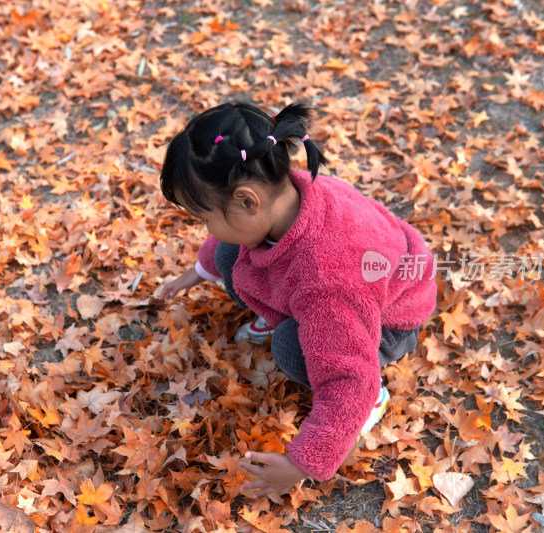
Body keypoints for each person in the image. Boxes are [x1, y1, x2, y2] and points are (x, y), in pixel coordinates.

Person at [158, 102, 437, 497]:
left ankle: (375, 402)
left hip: (390, 318)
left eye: (205, 217)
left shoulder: (326, 279)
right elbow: (229, 238)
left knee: (290, 346)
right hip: (353, 281)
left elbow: (348, 376)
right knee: (226, 253)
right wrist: (196, 273)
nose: (206, 227)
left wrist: (303, 462)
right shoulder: (287, 191)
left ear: (247, 200)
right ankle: (278, 311)